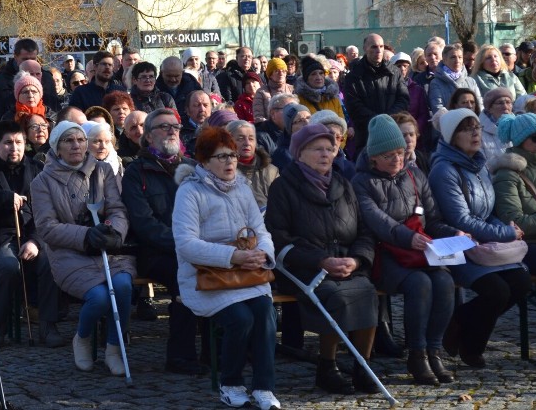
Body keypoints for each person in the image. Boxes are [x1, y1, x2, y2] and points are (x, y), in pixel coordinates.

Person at [265, 123, 378, 395]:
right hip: (303, 268)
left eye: (330, 148)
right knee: (337, 297)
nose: (326, 154)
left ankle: (363, 367)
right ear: (299, 153)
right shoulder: (283, 187)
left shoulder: (344, 185)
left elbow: (363, 232)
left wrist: (358, 260)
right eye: (317, 149)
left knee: (368, 291)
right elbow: (278, 237)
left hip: (346, 265)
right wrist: (321, 261)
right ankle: (327, 367)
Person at [172, 127, 280, 410]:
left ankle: (264, 387)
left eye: (232, 155)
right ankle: (230, 383)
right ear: (205, 162)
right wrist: (234, 256)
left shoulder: (242, 188)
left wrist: (262, 254)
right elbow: (186, 244)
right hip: (204, 277)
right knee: (241, 319)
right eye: (221, 157)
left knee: (265, 313)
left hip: (245, 274)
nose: (230, 161)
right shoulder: (189, 192)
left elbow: (261, 230)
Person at [352, 115, 459, 386]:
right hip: (384, 252)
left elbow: (432, 219)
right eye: (389, 155)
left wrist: (453, 234)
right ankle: (417, 353)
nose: (397, 159)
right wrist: (408, 237)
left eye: (400, 153)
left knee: (445, 281)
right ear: (373, 157)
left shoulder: (414, 175)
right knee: (420, 283)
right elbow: (376, 221)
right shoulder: (362, 182)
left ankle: (434, 350)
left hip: (419, 248)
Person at [428, 108, 532, 368]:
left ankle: (461, 323)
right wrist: (506, 233)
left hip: (483, 241)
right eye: (466, 128)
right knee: (496, 291)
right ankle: (471, 344)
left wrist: (504, 227)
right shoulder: (444, 169)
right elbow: (461, 220)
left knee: (521, 282)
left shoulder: (479, 164)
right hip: (457, 244)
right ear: (452, 136)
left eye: (476, 126)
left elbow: (488, 210)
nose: (475, 132)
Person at [30, 121, 135, 375]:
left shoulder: (102, 171)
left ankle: (113, 348)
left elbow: (117, 209)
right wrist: (86, 235)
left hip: (108, 249)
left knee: (122, 286)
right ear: (56, 148)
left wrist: (113, 231)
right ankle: (83, 337)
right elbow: (47, 227)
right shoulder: (42, 182)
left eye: (79, 140)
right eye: (68, 141)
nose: (76, 145)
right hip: (70, 253)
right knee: (98, 297)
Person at [0, 121, 62, 348]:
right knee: (8, 266)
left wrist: (35, 241)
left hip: (31, 234)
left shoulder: (37, 169)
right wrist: (4, 198)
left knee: (50, 262)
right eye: (8, 143)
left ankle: (48, 325)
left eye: (19, 142)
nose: (14, 148)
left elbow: (46, 212)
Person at [121, 108, 204, 374]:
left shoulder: (192, 168)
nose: (172, 131)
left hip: (195, 246)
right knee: (186, 277)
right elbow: (144, 224)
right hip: (157, 252)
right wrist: (184, 245)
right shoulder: (137, 171)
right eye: (164, 126)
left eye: (176, 127)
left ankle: (223, 350)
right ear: (147, 137)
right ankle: (180, 357)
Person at [492, 112, 536, 279]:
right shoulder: (507, 174)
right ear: (519, 141)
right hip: (528, 244)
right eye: (535, 138)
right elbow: (514, 222)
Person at [343, 33, 409, 149]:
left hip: (393, 132)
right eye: (374, 47)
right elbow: (354, 106)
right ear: (365, 49)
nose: (378, 50)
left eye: (381, 46)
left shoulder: (394, 72)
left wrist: (388, 120)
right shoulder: (354, 76)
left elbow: (403, 99)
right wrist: (377, 122)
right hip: (366, 137)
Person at [226, 120, 278, 209]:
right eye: (240, 139)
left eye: (251, 139)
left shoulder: (271, 171)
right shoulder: (221, 172)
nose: (247, 143)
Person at [428, 44, 483, 115]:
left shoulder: (471, 81)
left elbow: (479, 104)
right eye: (453, 57)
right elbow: (438, 109)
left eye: (460, 57)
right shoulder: (436, 83)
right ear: (444, 60)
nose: (457, 60)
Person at [391, 52, 430, 141]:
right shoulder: (387, 89)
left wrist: (414, 130)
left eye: (405, 66)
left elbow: (423, 114)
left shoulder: (417, 89)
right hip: (394, 136)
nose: (402, 69)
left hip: (413, 137)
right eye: (399, 66)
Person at [295, 56, 346, 121]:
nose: (318, 77)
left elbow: (342, 124)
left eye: (321, 73)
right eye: (313, 74)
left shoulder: (333, 97)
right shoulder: (299, 100)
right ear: (306, 78)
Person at [270, 103, 311, 172]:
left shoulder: (320, 144)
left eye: (308, 118)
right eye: (300, 121)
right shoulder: (283, 155)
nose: (307, 123)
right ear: (290, 128)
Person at [479, 87, 514, 162]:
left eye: (508, 102)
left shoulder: (520, 126)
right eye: (500, 103)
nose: (505, 107)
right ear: (490, 109)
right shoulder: (479, 133)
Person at [85, 121, 122, 188]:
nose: (103, 146)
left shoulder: (119, 165)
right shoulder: (77, 168)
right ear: (85, 143)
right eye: (97, 141)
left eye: (107, 141)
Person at [181, 90, 212, 155]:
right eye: (196, 105)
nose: (202, 109)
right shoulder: (180, 131)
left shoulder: (218, 127)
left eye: (205, 105)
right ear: (187, 110)